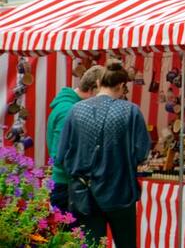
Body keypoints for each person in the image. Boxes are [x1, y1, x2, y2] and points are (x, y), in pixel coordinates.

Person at [57, 62, 151, 248]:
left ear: (99, 82)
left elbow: (61, 155)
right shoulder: (131, 111)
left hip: (84, 194)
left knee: (91, 245)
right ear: (122, 86)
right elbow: (141, 152)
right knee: (126, 244)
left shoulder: (75, 110)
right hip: (120, 191)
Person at [47, 65, 103, 213]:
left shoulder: (71, 107)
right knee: (67, 234)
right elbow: (60, 154)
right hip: (66, 185)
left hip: (68, 184)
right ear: (93, 88)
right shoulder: (68, 110)